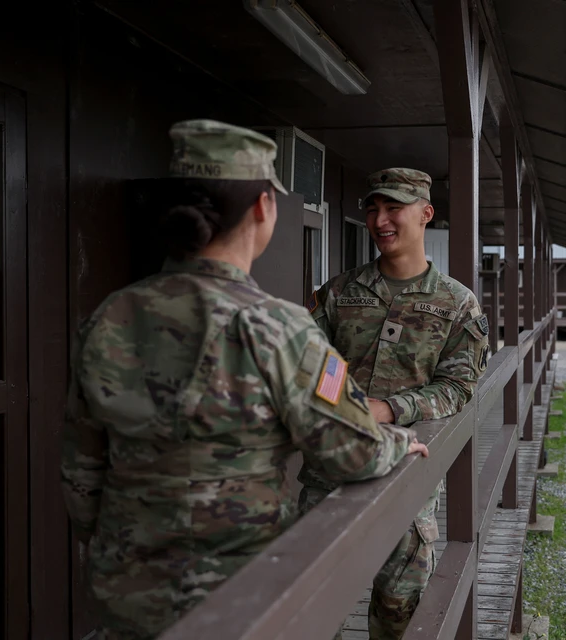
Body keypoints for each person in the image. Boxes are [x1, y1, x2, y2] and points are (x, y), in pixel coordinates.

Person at [59, 120, 428, 640]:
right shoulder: (278, 327)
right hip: (241, 595)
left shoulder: (110, 316)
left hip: (127, 593)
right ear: (262, 208)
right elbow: (352, 450)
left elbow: (81, 475)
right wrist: (398, 442)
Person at [298, 168, 490, 640]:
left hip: (408, 481)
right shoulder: (338, 294)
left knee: (399, 611)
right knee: (311, 609)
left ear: (425, 214)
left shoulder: (457, 304)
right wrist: (338, 399)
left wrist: (389, 409)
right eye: (371, 208)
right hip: (330, 478)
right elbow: (307, 365)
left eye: (393, 208)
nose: (379, 219)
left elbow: (459, 386)